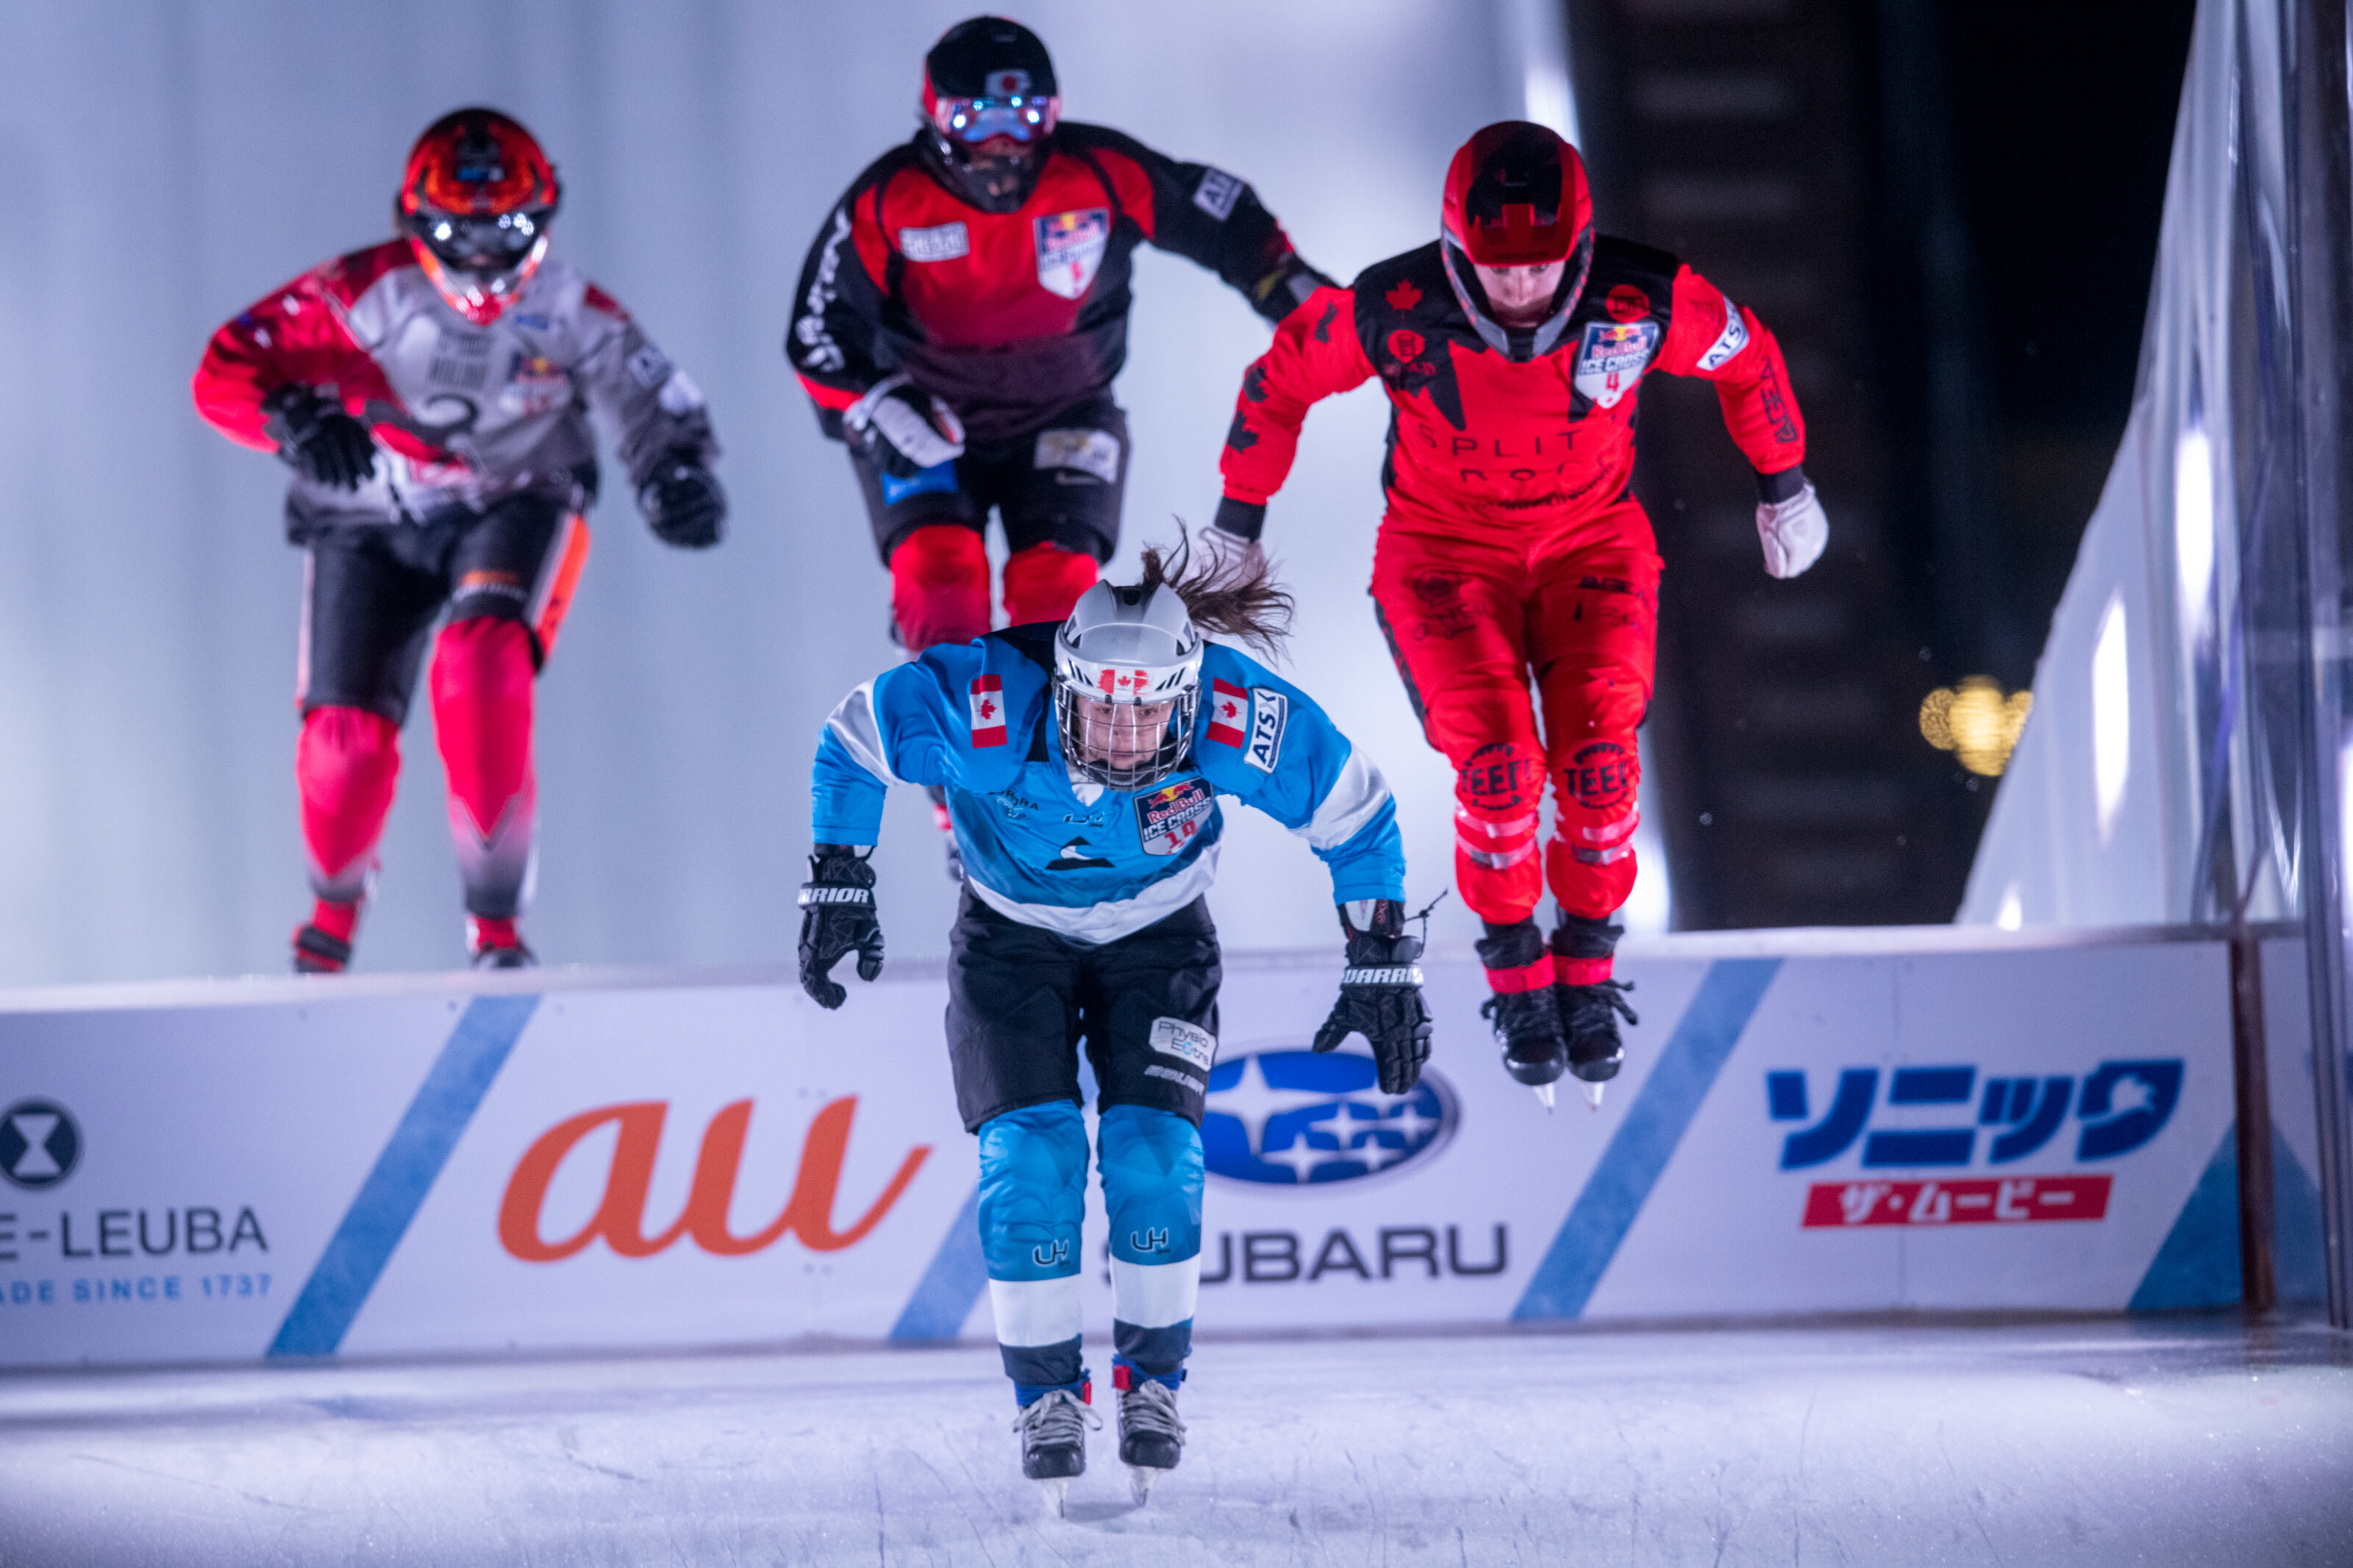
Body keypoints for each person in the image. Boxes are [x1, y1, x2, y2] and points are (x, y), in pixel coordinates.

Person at [1208, 121, 1829, 1107]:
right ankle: (1515, 974)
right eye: (1497, 272)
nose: (1521, 291)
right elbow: (1279, 380)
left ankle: (1587, 962)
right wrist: (1237, 522)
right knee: (1499, 775)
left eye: (1543, 269)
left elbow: (1747, 357)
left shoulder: (1647, 297)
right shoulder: (1390, 306)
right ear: (1454, 253)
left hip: (1593, 547)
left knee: (1600, 764)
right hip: (1442, 562)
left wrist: (1785, 482)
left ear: (1581, 250)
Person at [798, 544, 1429, 1508]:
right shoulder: (989, 702)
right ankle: (1046, 1395)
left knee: (1153, 1160)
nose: (1123, 733)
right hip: (1009, 939)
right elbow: (854, 736)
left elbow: (1360, 814)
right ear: (1064, 684)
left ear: (1187, 698)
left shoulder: (1236, 715)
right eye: (1100, 706)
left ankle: (1154, 1388)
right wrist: (840, 868)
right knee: (1028, 1162)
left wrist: (1381, 950)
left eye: (1146, 710)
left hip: (1160, 940)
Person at [786, 14, 1332, 872]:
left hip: (1068, 415)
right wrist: (873, 403)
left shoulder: (1099, 172)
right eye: (976, 124)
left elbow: (1220, 214)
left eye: (1026, 119)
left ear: (1054, 115)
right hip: (929, 424)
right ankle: (962, 797)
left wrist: (1296, 297)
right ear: (935, 121)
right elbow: (815, 334)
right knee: (940, 580)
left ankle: (1051, 792)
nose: (1005, 147)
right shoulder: (888, 198)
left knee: (1054, 596)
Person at [193, 107, 725, 973]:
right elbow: (224, 365)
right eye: (458, 232)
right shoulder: (358, 291)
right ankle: (328, 922)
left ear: (544, 220)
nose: (482, 259)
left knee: (481, 661)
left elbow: (652, 398)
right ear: (415, 225)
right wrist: (286, 416)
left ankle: (496, 934)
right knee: (343, 742)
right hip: (367, 513)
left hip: (515, 499)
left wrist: (675, 472)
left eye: (506, 231)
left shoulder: (574, 309)